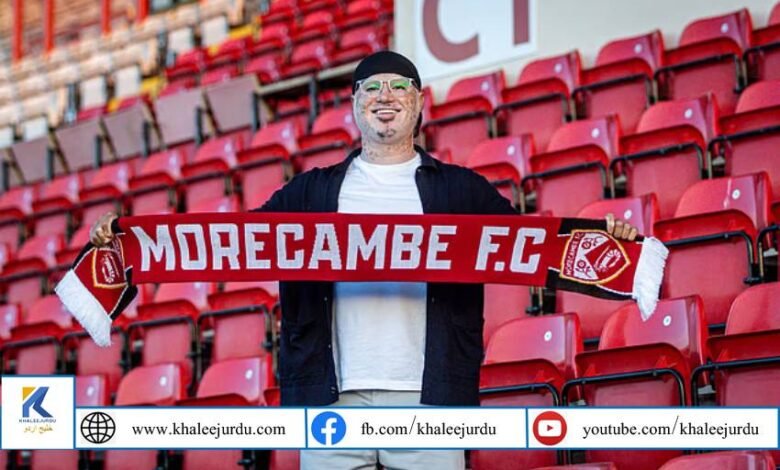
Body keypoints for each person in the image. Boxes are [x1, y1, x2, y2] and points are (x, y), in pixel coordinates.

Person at [90, 51, 637, 469]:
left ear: (419, 104)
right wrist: (128, 241)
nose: (385, 96)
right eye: (371, 87)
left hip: (430, 399)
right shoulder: (308, 191)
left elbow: (530, 246)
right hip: (329, 399)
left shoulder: (462, 190)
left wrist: (602, 239)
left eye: (399, 87)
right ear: (354, 105)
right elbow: (231, 242)